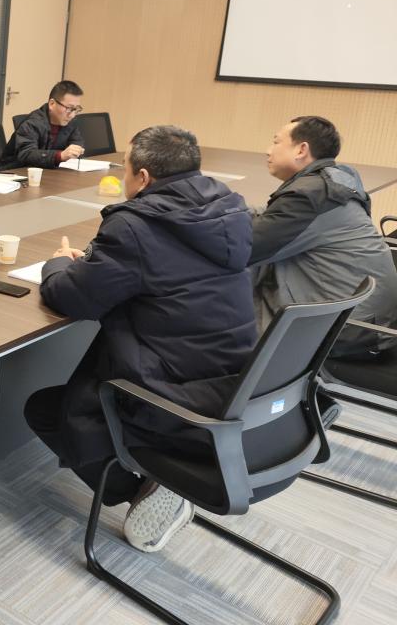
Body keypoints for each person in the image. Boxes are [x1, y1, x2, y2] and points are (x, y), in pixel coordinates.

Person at [24, 126, 257, 553]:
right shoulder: (229, 210)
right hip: (231, 382)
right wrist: (98, 262)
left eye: (125, 168)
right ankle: (157, 486)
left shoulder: (135, 227)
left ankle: (146, 492)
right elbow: (165, 272)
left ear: (143, 178)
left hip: (171, 394)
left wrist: (57, 265)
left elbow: (71, 297)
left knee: (45, 409)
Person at [250, 116, 397, 357]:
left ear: (301, 150)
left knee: (228, 289)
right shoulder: (334, 180)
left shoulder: (309, 196)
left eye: (276, 142)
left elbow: (244, 249)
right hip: (370, 321)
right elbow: (274, 217)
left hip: (348, 330)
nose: (268, 150)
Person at [0, 80, 85, 170]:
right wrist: (60, 156)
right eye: (69, 108)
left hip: (44, 172)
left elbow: (77, 143)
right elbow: (27, 154)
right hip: (12, 172)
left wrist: (76, 151)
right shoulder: (32, 123)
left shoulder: (70, 122)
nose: (72, 115)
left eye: (76, 109)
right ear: (52, 104)